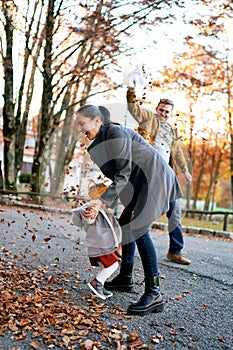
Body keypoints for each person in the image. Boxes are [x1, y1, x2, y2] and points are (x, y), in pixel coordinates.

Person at [75, 104, 183, 316]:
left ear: (96, 121)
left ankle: (154, 293)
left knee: (137, 228)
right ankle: (125, 278)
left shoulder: (116, 133)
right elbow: (118, 176)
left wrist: (101, 202)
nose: (80, 128)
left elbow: (123, 173)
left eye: (82, 123)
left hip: (155, 178)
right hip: (140, 182)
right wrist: (100, 196)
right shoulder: (99, 143)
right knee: (126, 224)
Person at [127, 85, 192, 265]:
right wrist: (131, 90)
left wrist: (184, 169)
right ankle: (125, 246)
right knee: (137, 211)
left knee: (175, 210)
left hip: (166, 175)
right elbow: (134, 109)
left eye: (167, 111)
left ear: (171, 113)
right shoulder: (148, 118)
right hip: (148, 172)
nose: (163, 113)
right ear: (157, 109)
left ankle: (175, 251)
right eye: (161, 110)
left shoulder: (171, 130)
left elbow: (176, 151)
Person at [72, 202, 121, 300]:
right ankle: (96, 283)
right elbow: (87, 218)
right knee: (113, 264)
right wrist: (87, 211)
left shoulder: (103, 207)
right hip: (100, 244)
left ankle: (99, 286)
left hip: (102, 243)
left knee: (104, 266)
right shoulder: (94, 206)